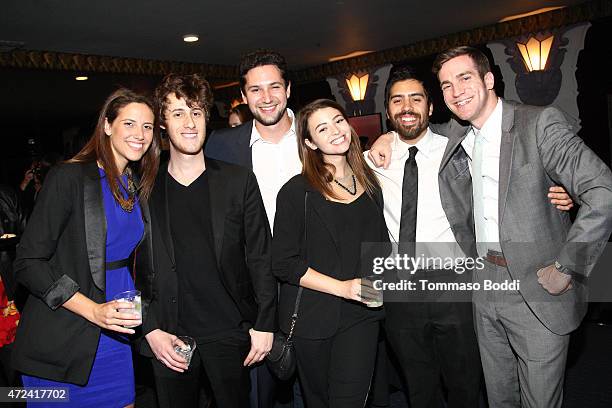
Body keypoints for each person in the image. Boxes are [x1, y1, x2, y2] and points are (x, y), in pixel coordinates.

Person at [431, 45, 612, 408]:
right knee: (499, 397)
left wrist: (568, 265)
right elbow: (413, 131)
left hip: (538, 283)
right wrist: (386, 138)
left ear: (488, 78)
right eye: (446, 85)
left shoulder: (539, 122)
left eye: (465, 78)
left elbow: (603, 189)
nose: (456, 91)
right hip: (484, 284)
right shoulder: (456, 133)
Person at [12, 88, 159, 407]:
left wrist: (152, 326)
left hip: (117, 336)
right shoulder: (70, 177)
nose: (140, 134)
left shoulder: (135, 184)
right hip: (64, 335)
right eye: (130, 123)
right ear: (107, 125)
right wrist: (93, 310)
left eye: (147, 126)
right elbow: (27, 262)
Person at [136, 73, 276, 408]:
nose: (189, 123)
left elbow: (260, 255)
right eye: (178, 113)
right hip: (169, 334)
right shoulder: (143, 190)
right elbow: (128, 266)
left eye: (196, 112)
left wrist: (265, 324)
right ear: (162, 125)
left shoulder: (237, 181)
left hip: (229, 330)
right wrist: (150, 328)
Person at [367, 67, 482, 407]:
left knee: (464, 380)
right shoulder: (371, 161)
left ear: (431, 107)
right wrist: (384, 138)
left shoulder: (459, 149)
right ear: (388, 110)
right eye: (397, 100)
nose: (407, 107)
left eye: (416, 99)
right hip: (400, 286)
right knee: (418, 383)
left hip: (455, 283)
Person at [272, 99, 389, 408]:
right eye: (323, 128)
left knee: (350, 399)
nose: (336, 131)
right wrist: (343, 288)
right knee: (319, 400)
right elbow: (283, 263)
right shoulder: (297, 192)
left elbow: (381, 248)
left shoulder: (370, 183)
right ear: (310, 142)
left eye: (338, 120)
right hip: (313, 318)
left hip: (362, 315)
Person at [206, 49, 302, 407]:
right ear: (244, 97)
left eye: (274, 87)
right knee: (256, 386)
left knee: (316, 382)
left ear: (288, 89)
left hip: (312, 279)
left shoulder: (319, 132)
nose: (266, 97)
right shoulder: (222, 145)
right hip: (250, 282)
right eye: (256, 90)